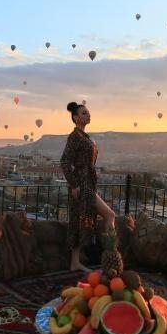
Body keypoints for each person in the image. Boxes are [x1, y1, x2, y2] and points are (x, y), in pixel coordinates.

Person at [60, 101, 115, 271]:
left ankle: (75, 263)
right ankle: (111, 257)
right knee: (110, 215)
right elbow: (64, 162)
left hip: (87, 183)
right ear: (75, 118)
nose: (88, 115)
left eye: (88, 112)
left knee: (78, 220)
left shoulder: (84, 137)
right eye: (84, 113)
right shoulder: (74, 137)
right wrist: (74, 185)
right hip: (82, 185)